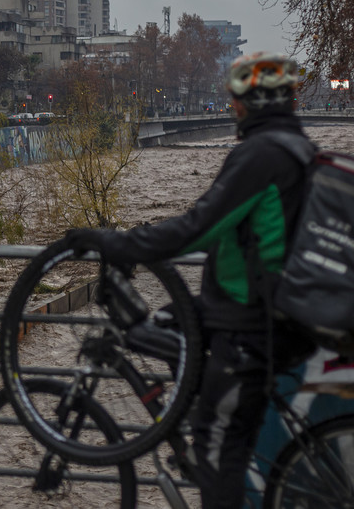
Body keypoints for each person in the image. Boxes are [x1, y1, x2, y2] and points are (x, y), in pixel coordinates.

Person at [67, 52, 317, 509]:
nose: (231, 108)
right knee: (162, 325)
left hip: (251, 326)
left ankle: (196, 423)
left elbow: (195, 228)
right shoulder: (297, 148)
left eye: (235, 99)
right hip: (247, 309)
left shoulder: (260, 155)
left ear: (249, 102)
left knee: (215, 452)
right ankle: (186, 406)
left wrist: (117, 243)